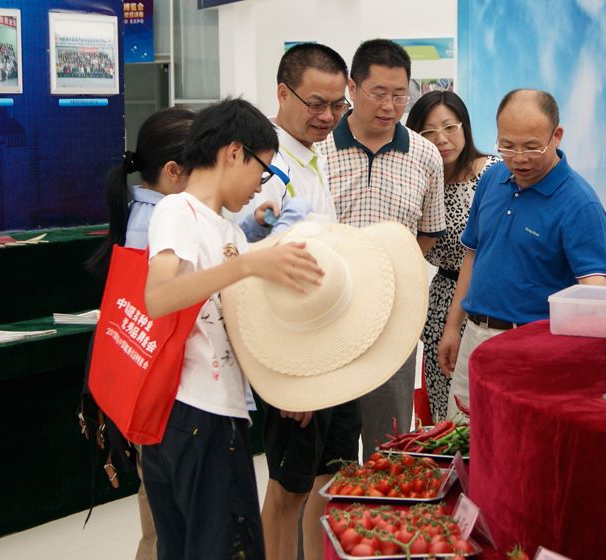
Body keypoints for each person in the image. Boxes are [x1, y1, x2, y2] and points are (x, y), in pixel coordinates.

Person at [141, 98, 324, 560]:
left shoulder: (231, 234)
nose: (260, 187)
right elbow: (159, 298)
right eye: (262, 172)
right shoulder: (178, 211)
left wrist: (282, 390)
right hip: (191, 413)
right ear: (234, 152)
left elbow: (237, 332)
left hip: (219, 414)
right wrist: (248, 267)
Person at [232, 43, 355, 560]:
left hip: (329, 347)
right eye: (315, 104)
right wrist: (291, 377)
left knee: (325, 480)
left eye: (336, 105)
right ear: (282, 94)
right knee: (287, 489)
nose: (328, 117)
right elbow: (254, 288)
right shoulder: (266, 167)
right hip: (295, 358)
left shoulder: (312, 154)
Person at [438, 89, 606, 420]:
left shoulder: (580, 203)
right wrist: (452, 326)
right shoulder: (492, 177)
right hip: (474, 337)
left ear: (556, 135)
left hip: (531, 346)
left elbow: (593, 292)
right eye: (508, 145)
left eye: (532, 146)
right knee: (458, 445)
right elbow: (472, 256)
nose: (519, 158)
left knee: (516, 447)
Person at [318, 38, 445, 461]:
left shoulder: (425, 155)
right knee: (327, 442)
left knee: (388, 443)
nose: (389, 106)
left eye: (399, 95)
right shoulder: (318, 150)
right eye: (378, 93)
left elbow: (429, 231)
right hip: (326, 313)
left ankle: (381, 522)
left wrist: (394, 267)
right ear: (352, 89)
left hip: (393, 315)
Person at [85, 106, 195, 560]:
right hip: (164, 393)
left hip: (146, 389)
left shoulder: (142, 211)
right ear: (173, 172)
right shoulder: (161, 224)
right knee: (168, 526)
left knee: (160, 518)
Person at [406, 91, 499, 422]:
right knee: (447, 412)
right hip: (442, 299)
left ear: (466, 127)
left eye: (449, 127)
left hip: (488, 299)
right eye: (428, 132)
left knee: (489, 409)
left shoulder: (494, 173)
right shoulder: (417, 181)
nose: (441, 140)